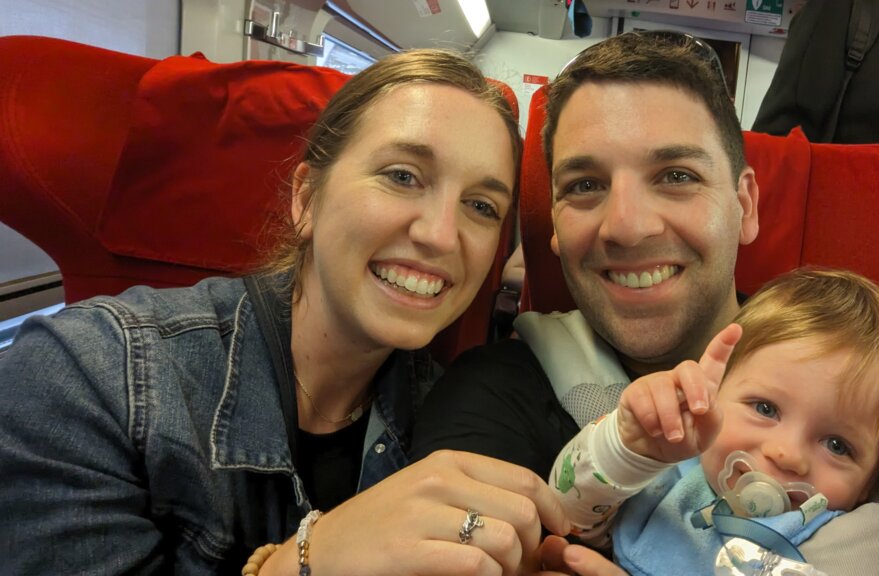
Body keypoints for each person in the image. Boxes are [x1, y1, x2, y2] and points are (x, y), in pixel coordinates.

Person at [410, 30, 879, 572]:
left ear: (746, 204)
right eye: (586, 185)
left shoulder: (864, 355)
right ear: (553, 225)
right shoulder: (492, 393)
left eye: (676, 175)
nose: (626, 226)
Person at [0, 49, 572, 575]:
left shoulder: (454, 413)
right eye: (402, 176)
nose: (442, 235)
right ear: (306, 198)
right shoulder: (86, 375)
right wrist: (308, 561)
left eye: (481, 205)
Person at [550, 269, 879, 575]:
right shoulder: (669, 474)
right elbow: (567, 512)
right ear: (713, 394)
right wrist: (628, 449)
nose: (786, 454)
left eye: (838, 445)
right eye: (765, 409)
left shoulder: (857, 542)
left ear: (870, 484)